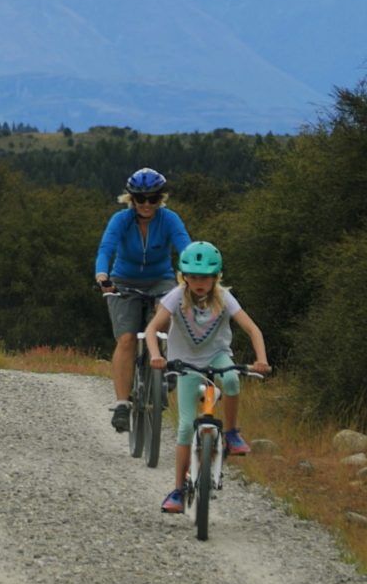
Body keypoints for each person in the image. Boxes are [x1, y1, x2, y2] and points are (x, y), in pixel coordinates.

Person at [144, 241, 271, 513]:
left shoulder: (224, 298)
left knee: (233, 380)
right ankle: (178, 490)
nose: (199, 283)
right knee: (185, 427)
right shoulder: (176, 297)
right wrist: (157, 356)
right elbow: (153, 329)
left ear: (216, 277)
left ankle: (232, 432)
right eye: (193, 277)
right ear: (184, 277)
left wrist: (262, 360)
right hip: (186, 363)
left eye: (206, 277)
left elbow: (253, 330)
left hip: (217, 358)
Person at [93, 167, 191, 432]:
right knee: (126, 339)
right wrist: (102, 277)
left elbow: (184, 247)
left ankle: (165, 366)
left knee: (164, 319)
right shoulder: (120, 221)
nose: (147, 204)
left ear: (161, 199)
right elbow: (106, 249)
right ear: (131, 199)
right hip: (123, 281)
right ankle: (123, 403)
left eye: (153, 199)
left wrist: (192, 273)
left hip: (161, 279)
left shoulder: (169, 219)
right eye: (140, 199)